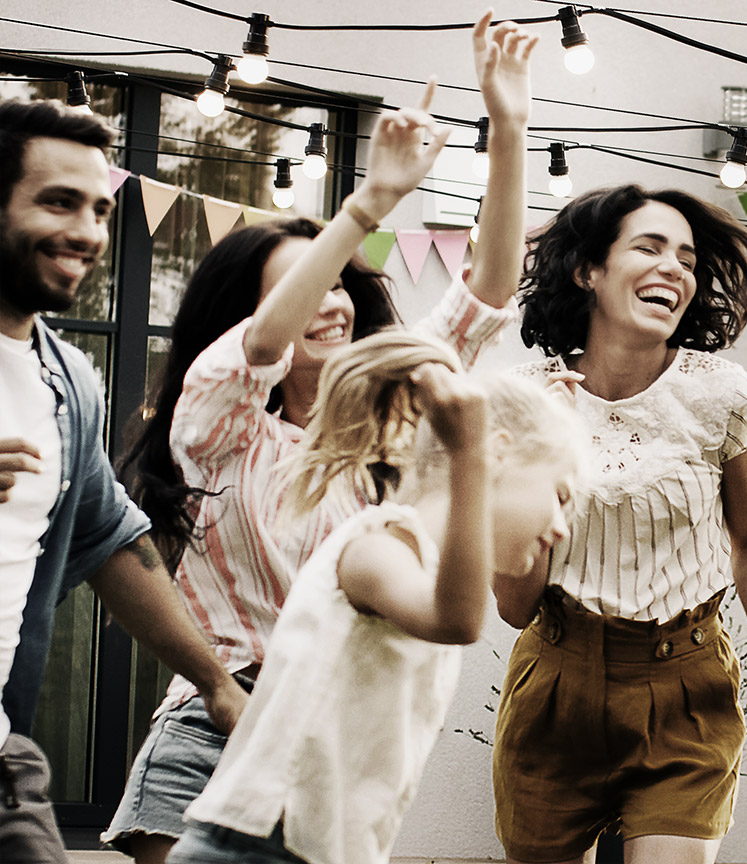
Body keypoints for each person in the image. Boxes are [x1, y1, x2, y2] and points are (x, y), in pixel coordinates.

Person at [105, 16, 537, 862]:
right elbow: (264, 347)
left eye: (342, 281)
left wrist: (510, 129)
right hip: (216, 723)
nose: (333, 302)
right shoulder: (218, 424)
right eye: (307, 288)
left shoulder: (388, 423)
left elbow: (487, 290)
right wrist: (366, 204)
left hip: (332, 734)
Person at [162, 332, 583, 864]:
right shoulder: (376, 549)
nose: (562, 527)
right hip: (254, 848)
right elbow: (458, 621)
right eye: (559, 496)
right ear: (496, 454)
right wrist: (468, 452)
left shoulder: (420, 561)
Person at [494, 184, 747, 864]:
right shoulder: (525, 400)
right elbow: (513, 605)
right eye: (649, 247)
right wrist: (534, 461)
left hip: (686, 687)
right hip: (556, 681)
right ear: (589, 271)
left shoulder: (721, 395)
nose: (674, 267)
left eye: (688, 258)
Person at [0, 98, 246, 861]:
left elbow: (113, 541)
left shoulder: (66, 378)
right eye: (58, 202)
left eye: (100, 210)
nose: (87, 233)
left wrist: (214, 683)